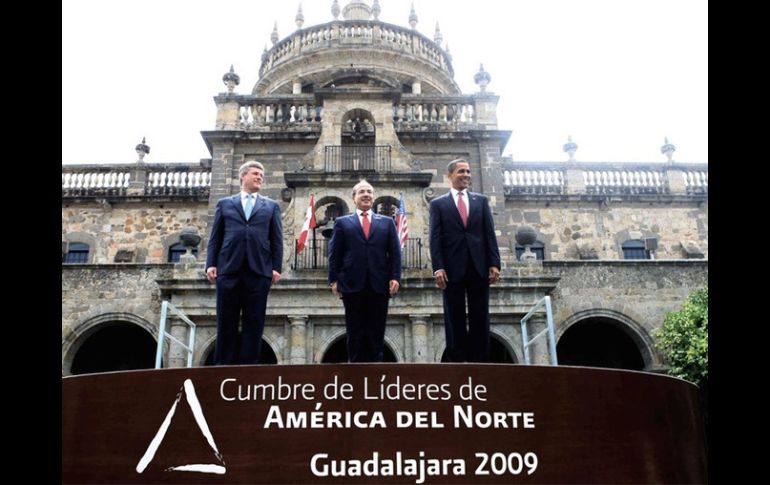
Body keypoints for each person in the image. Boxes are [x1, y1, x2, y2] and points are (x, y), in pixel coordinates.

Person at [205, 161, 283, 365]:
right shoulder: (225, 204)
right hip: (228, 269)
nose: (260, 177)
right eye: (256, 173)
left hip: (259, 272)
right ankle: (223, 368)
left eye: (262, 175)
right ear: (243, 176)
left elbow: (276, 239)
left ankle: (248, 369)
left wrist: (276, 267)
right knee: (226, 321)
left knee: (254, 322)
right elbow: (216, 237)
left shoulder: (271, 206)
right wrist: (210, 264)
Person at [429, 158, 501, 362]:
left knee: (481, 315)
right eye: (461, 171)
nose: (466, 175)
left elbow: (489, 234)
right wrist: (438, 267)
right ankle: (457, 361)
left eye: (468, 172)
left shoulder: (481, 201)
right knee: (454, 316)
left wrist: (494, 263)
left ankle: (481, 361)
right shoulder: (438, 204)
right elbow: (435, 238)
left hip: (479, 266)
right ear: (450, 175)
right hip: (451, 269)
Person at [328, 180, 401, 362]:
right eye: (362, 192)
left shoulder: (387, 223)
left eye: (369, 191)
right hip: (352, 284)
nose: (366, 194)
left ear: (373, 197)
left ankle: (376, 371)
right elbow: (335, 253)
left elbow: (394, 252)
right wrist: (334, 280)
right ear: (354, 198)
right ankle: (355, 371)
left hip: (379, 284)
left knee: (376, 331)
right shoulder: (342, 223)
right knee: (355, 331)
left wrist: (395, 277)